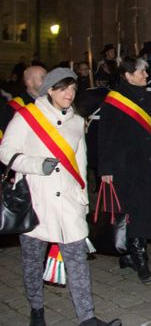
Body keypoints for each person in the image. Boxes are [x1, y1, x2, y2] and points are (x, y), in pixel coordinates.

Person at [0, 67, 121, 326]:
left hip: (68, 202)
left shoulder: (77, 121)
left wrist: (83, 200)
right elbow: (5, 151)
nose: (70, 93)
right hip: (36, 202)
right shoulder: (27, 116)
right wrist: (35, 164)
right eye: (64, 88)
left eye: (73, 88)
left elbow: (80, 162)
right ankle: (37, 311)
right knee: (32, 262)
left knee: (78, 260)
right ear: (50, 90)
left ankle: (87, 318)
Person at [98, 57, 151, 284]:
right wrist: (106, 168)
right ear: (128, 75)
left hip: (147, 164)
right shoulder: (113, 101)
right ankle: (140, 260)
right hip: (125, 167)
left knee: (143, 211)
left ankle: (128, 256)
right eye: (142, 72)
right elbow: (105, 137)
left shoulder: (146, 96)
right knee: (135, 213)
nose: (146, 75)